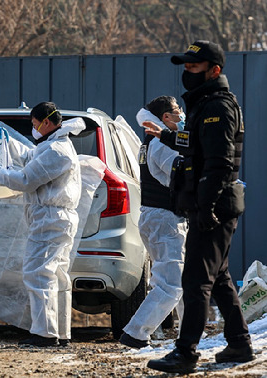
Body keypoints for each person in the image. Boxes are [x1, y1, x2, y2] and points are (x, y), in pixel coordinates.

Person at [144, 41, 254, 374]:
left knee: (195, 279)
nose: (187, 72)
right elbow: (194, 144)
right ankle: (239, 343)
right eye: (186, 66)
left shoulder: (219, 106)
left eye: (194, 67)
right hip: (211, 205)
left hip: (214, 207)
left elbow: (218, 163)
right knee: (217, 277)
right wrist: (164, 136)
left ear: (214, 70)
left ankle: (186, 352)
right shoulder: (204, 104)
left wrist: (206, 208)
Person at [0, 102, 82, 347]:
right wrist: (9, 144)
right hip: (55, 219)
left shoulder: (58, 150)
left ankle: (44, 333)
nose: (33, 129)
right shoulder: (52, 145)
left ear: (47, 122)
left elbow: (27, 179)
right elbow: (30, 157)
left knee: (38, 273)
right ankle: (60, 332)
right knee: (57, 276)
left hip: (50, 219)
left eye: (34, 124)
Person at [119, 96, 188, 349]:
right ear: (165, 118)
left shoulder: (150, 144)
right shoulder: (161, 145)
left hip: (159, 218)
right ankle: (135, 333)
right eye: (177, 111)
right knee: (170, 285)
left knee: (183, 281)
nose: (182, 115)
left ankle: (192, 333)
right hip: (164, 220)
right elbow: (180, 175)